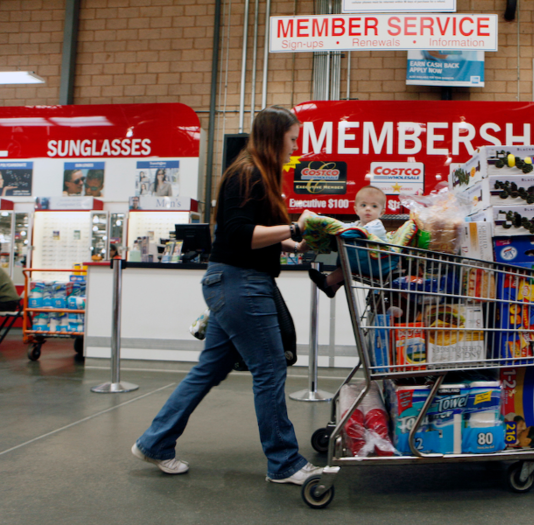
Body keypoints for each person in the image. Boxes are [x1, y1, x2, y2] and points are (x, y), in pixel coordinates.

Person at [132, 105, 321, 486]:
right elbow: (237, 235)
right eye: (292, 139)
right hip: (242, 285)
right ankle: (284, 463)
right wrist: (291, 226)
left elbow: (254, 236)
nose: (295, 147)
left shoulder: (256, 175)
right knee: (269, 369)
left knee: (210, 369)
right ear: (274, 137)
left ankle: (155, 442)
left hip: (237, 282)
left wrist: (295, 243)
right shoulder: (248, 174)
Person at [308, 185, 388, 298]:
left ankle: (326, 282)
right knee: (347, 257)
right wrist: (326, 224)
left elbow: (360, 232)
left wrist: (340, 230)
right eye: (363, 205)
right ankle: (333, 287)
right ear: (356, 209)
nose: (368, 209)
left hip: (379, 262)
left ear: (381, 213)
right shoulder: (356, 224)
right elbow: (344, 227)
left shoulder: (376, 225)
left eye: (374, 206)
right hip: (367, 261)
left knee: (349, 264)